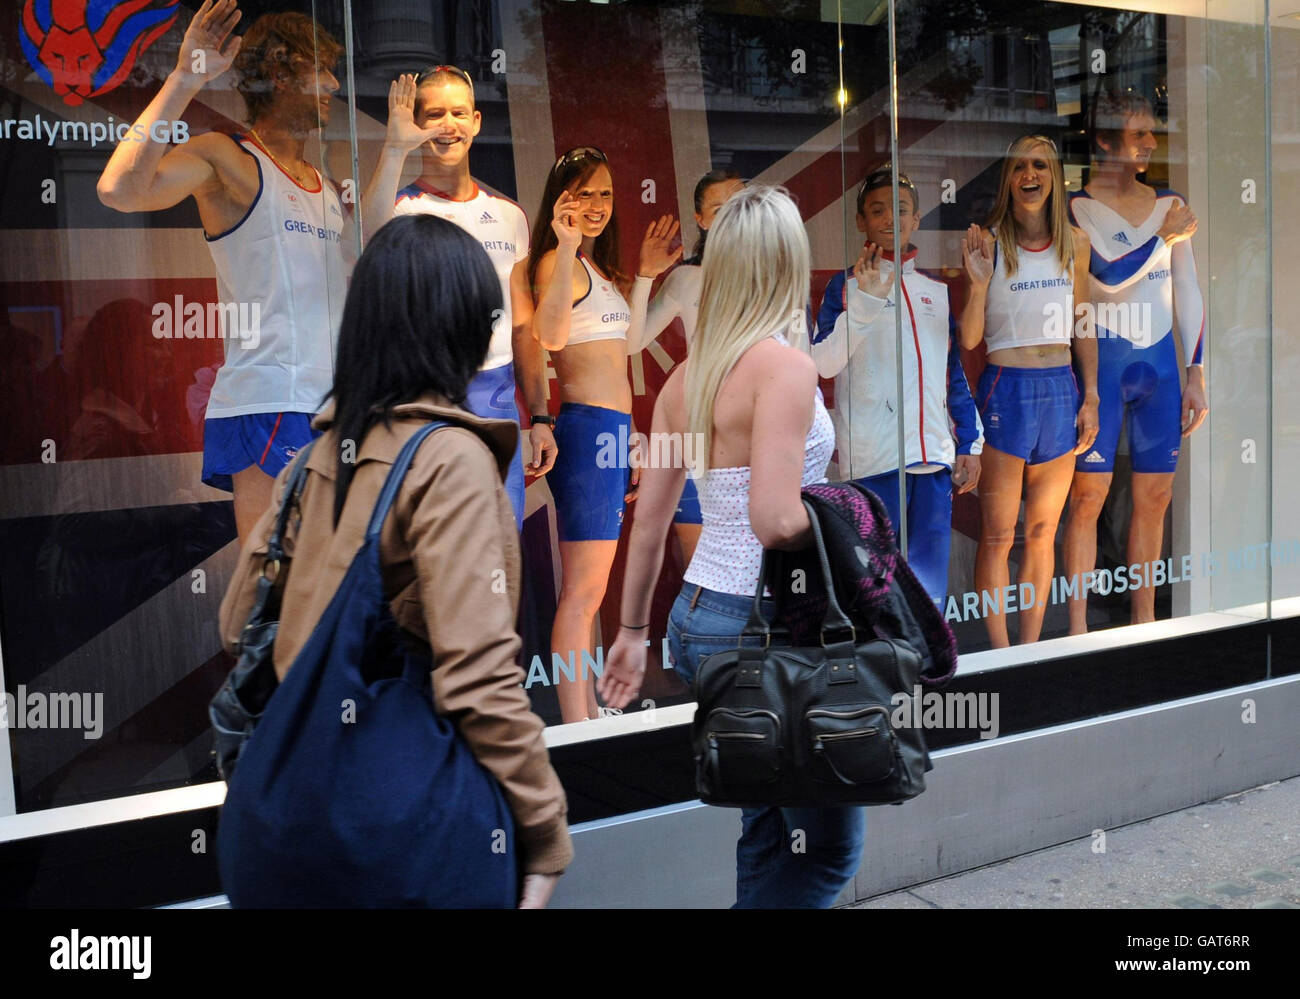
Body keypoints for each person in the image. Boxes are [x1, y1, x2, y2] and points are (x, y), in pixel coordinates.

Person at [218, 214, 573, 908]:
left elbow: (237, 624)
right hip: (399, 832)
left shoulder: (311, 460)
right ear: (465, 324)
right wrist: (543, 832)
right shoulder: (450, 458)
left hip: (278, 826)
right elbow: (478, 674)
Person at [599, 185, 864, 908]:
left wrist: (629, 633)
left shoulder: (687, 381)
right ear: (785, 264)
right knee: (828, 850)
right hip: (773, 625)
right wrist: (854, 528)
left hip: (702, 624)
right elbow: (776, 519)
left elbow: (649, 523)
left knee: (768, 822)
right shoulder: (785, 368)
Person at [97, 1, 347, 546]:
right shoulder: (225, 158)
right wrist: (186, 78)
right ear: (280, 74)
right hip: (269, 400)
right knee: (273, 591)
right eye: (319, 71)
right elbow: (119, 190)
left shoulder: (325, 184)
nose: (332, 84)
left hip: (335, 407)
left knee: (329, 594)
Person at [360, 67, 555, 529]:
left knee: (499, 549)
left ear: (478, 121)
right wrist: (393, 147)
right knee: (432, 550)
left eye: (458, 113)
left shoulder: (509, 215)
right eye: (434, 114)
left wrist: (542, 416)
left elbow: (523, 327)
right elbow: (360, 241)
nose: (448, 125)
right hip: (424, 400)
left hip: (498, 402)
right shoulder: (399, 207)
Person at [527, 146, 679, 723]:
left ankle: (585, 712)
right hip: (587, 434)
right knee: (583, 593)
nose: (596, 205)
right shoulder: (555, 260)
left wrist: (642, 276)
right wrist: (565, 247)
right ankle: (575, 722)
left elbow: (628, 347)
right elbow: (551, 336)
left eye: (606, 194)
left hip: (613, 433)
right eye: (584, 192)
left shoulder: (596, 270)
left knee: (593, 592)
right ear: (561, 197)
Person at [1064, 91, 1207, 632]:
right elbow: (1104, 275)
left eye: (1153, 132)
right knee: (1088, 495)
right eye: (1139, 133)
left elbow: (1187, 290)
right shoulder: (1077, 207)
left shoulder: (1170, 203)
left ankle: (1144, 621)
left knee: (1157, 495)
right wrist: (1162, 241)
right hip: (1103, 365)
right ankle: (1076, 629)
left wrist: (1196, 373)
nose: (1151, 143)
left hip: (1160, 370)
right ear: (1104, 140)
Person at [812, 168, 983, 606]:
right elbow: (823, 365)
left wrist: (971, 442)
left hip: (931, 460)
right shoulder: (843, 286)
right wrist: (864, 305)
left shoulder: (936, 290)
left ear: (916, 217)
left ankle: (926, 674)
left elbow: (952, 371)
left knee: (928, 592)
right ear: (860, 221)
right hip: (873, 461)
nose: (890, 218)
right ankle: (882, 672)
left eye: (900, 209)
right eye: (877, 210)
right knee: (874, 589)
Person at [959, 135, 1099, 647]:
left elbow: (1082, 325)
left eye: (1039, 164)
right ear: (1008, 179)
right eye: (1019, 166)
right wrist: (976, 286)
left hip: (1061, 389)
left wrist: (1091, 395)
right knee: (998, 535)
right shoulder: (990, 240)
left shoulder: (1076, 244)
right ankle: (999, 654)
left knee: (1043, 533)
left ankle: (1031, 650)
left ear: (1055, 176)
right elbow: (971, 338)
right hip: (1007, 388)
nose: (1029, 174)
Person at [628, 169, 743, 567]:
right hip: (698, 440)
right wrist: (645, 276)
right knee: (703, 574)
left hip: (757, 443)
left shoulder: (777, 276)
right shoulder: (686, 279)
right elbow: (631, 341)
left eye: (738, 202)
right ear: (701, 219)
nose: (730, 215)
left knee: (757, 578)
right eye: (718, 208)